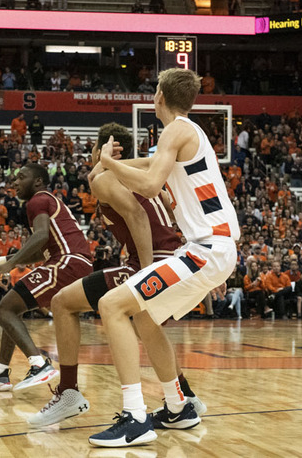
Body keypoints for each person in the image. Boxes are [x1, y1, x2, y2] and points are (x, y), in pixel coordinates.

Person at [87, 68, 239, 447]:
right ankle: (177, 407)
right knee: (144, 317)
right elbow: (148, 168)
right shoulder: (184, 133)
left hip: (207, 249)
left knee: (111, 306)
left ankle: (135, 416)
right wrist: (106, 164)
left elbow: (151, 184)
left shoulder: (177, 129)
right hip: (209, 249)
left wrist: (109, 163)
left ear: (158, 97)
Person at [27, 123, 205, 427]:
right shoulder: (142, 178)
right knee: (145, 328)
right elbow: (169, 214)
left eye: (93, 149)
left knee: (61, 303)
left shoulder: (106, 179)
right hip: (175, 257)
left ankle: (69, 392)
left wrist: (146, 272)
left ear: (104, 149)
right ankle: (185, 396)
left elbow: (137, 216)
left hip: (151, 262)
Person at [0, 163, 92, 392]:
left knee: (2, 310)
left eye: (21, 177)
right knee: (11, 309)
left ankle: (39, 364)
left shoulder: (38, 200)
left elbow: (41, 236)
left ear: (38, 182)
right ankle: (0, 372)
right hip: (74, 263)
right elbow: (37, 251)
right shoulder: (48, 202)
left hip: (67, 262)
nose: (14, 182)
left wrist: (12, 264)